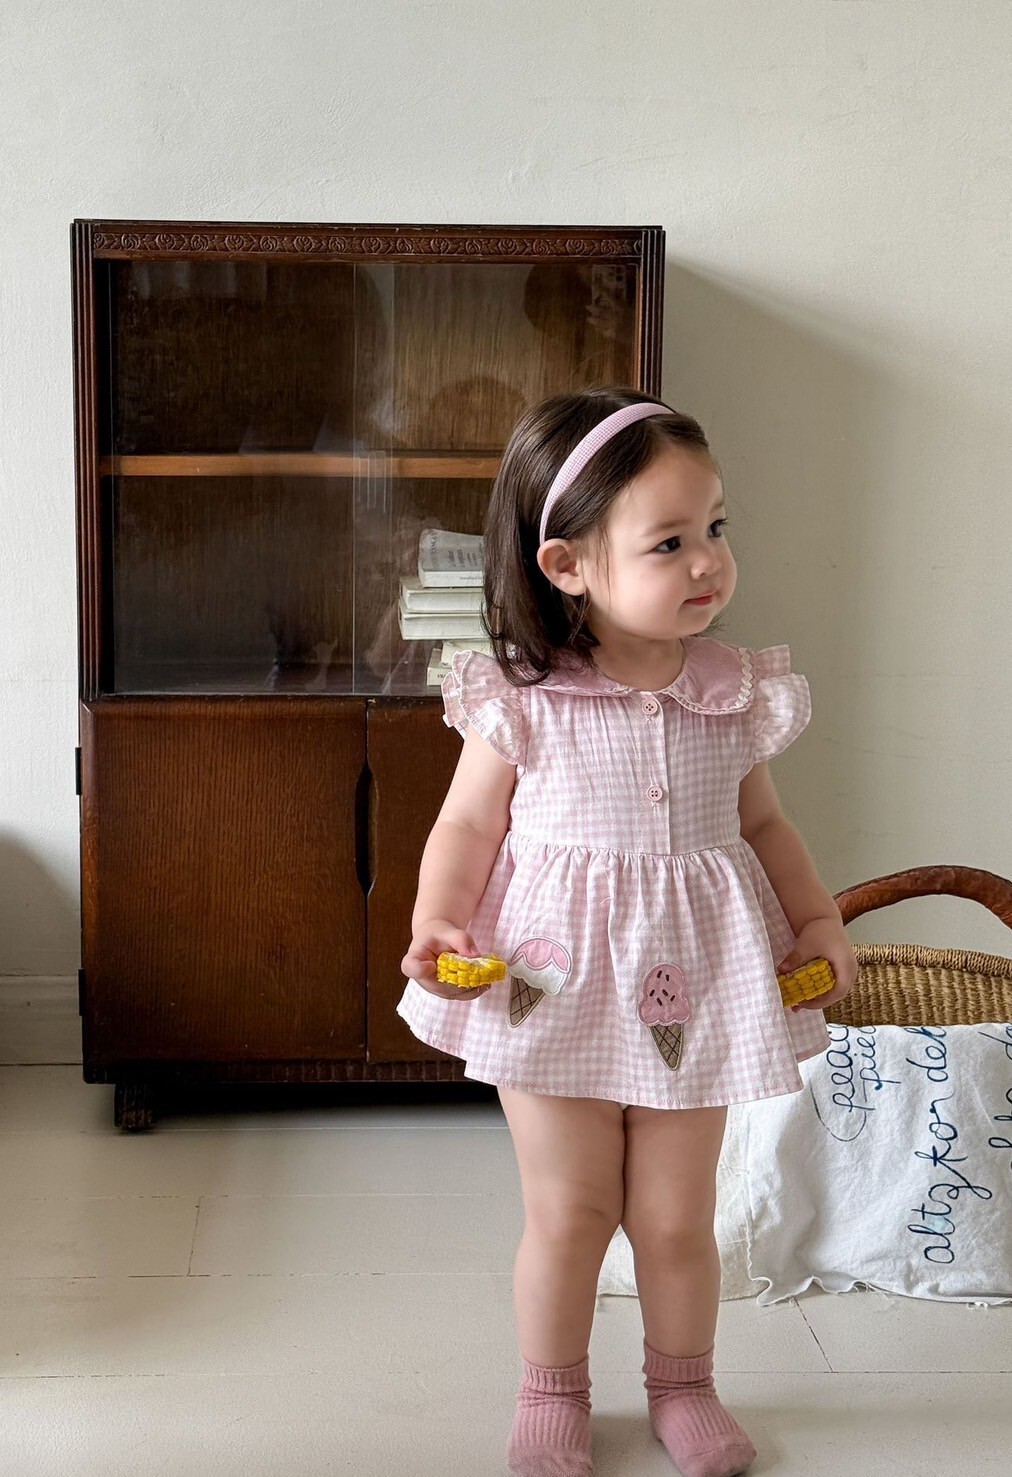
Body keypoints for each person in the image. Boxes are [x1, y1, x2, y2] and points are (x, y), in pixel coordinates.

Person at [397, 387, 857, 1477]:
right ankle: (551, 1391)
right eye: (669, 541)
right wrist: (438, 917)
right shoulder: (526, 700)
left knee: (675, 1217)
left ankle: (684, 1385)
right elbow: (467, 824)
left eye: (715, 528)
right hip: (551, 989)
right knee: (570, 1211)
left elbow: (764, 825)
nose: (708, 562)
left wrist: (818, 920)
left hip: (691, 991)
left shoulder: (732, 693)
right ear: (567, 566)